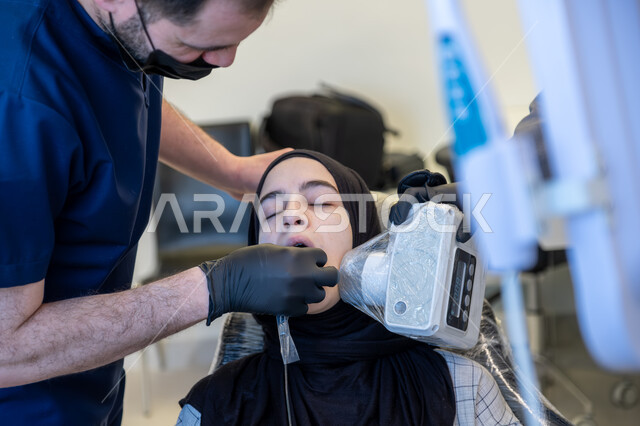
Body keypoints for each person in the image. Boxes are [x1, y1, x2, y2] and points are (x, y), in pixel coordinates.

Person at [0, 1, 338, 424]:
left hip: (91, 379)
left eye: (325, 203)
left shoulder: (119, 30)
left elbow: (126, 92)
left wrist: (229, 168)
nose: (225, 60)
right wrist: (212, 289)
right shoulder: (17, 111)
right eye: (197, 44)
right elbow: (4, 350)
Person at [178, 150, 520, 425]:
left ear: (364, 237)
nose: (292, 215)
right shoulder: (215, 404)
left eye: (322, 203)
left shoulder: (462, 387)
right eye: (271, 211)